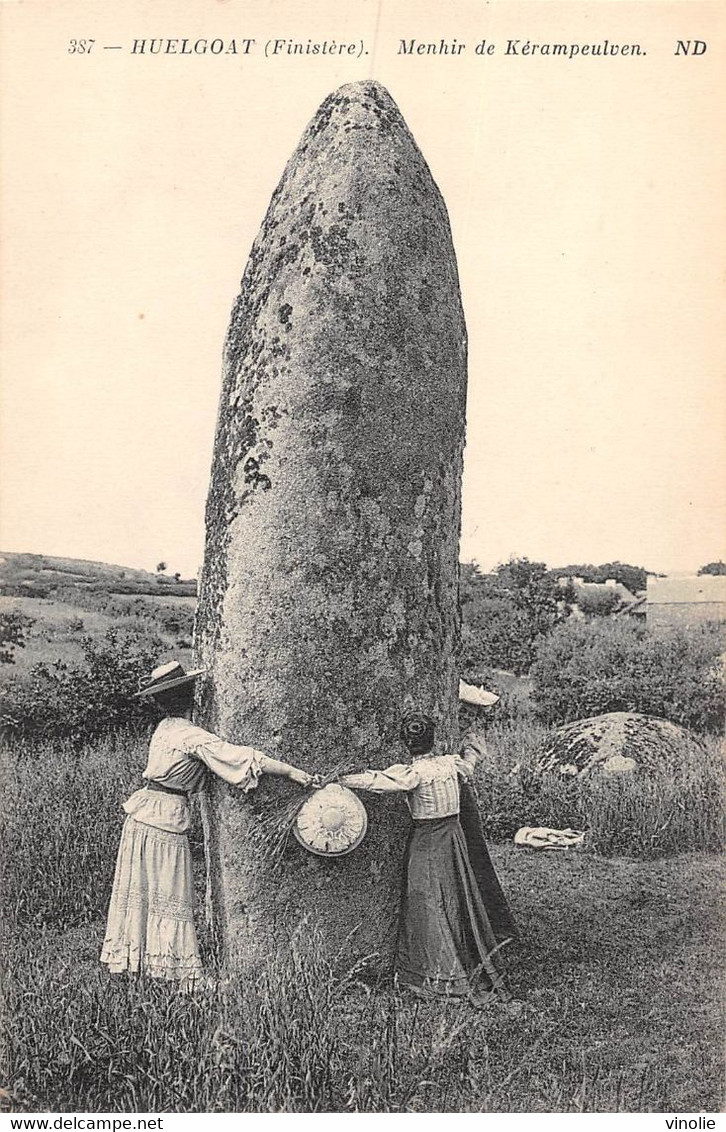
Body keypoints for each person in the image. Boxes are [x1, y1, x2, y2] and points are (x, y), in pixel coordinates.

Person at [100, 660, 312, 984]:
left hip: (144, 813)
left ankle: (148, 964)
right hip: (163, 818)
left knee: (144, 892)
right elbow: (239, 757)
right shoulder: (189, 735)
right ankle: (184, 978)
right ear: (191, 696)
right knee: (170, 893)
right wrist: (292, 771)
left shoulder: (165, 728)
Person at [339, 711, 517, 1008]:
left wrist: (341, 779)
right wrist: (471, 748)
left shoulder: (414, 774)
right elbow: (469, 764)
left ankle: (440, 971)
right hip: (454, 837)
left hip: (429, 840)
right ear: (432, 739)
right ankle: (464, 956)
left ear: (407, 744)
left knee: (426, 899)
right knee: (457, 895)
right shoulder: (451, 764)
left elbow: (377, 782)